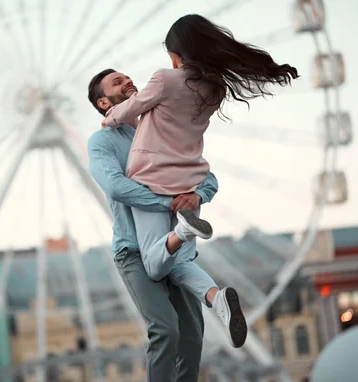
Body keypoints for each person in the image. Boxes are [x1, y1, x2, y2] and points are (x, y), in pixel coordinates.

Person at [100, 13, 299, 345]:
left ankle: (183, 230)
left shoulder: (165, 79)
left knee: (152, 263)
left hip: (149, 177)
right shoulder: (214, 89)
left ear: (180, 51)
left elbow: (127, 110)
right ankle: (215, 298)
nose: (172, 62)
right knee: (176, 261)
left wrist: (109, 118)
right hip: (189, 182)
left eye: (172, 55)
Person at [87, 71, 220, 381]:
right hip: (134, 249)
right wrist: (168, 203)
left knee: (192, 338)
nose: (128, 81)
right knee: (164, 329)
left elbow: (205, 174)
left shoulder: (161, 130)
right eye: (117, 82)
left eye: (126, 76)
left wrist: (196, 194)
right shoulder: (102, 141)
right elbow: (116, 186)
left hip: (177, 250)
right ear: (104, 102)